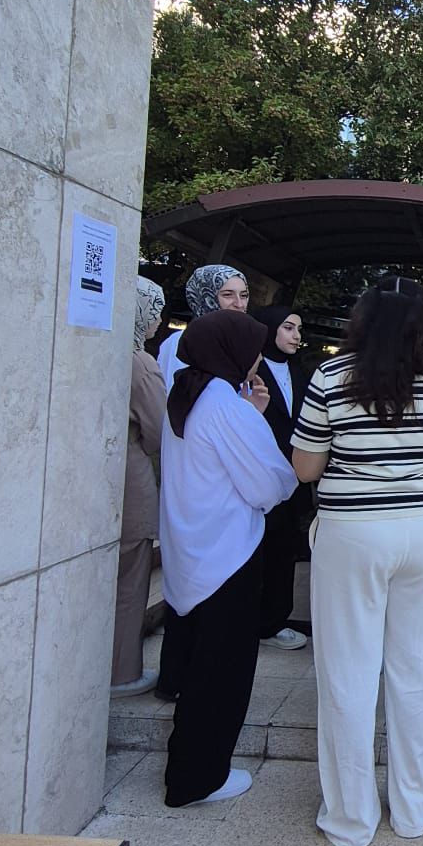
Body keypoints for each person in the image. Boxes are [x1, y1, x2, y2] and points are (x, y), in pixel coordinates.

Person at [292, 279, 423, 846]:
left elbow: (305, 468)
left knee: (347, 672)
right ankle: (412, 811)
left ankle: (351, 820)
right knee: (419, 668)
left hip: (353, 533)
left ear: (361, 323)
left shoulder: (330, 377)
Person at [158, 311, 298, 807]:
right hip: (229, 556)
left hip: (191, 552)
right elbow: (272, 484)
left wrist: (249, 412)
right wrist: (253, 418)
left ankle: (186, 766)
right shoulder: (225, 404)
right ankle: (199, 778)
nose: (257, 357)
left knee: (199, 665)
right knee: (222, 674)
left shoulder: (186, 394)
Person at [111, 277, 167, 696]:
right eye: (155, 310)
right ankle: (122, 671)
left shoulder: (99, 351)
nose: (159, 320)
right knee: (131, 582)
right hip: (131, 479)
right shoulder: (140, 362)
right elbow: (159, 430)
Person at [250, 304, 312, 652]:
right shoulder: (250, 369)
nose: (296, 335)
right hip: (257, 473)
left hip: (293, 475)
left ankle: (274, 620)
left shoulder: (299, 372)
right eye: (288, 328)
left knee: (284, 549)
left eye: (298, 329)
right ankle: (250, 618)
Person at [157, 263, 249, 386]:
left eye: (243, 295)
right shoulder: (183, 343)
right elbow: (173, 393)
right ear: (205, 297)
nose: (239, 304)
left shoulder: (239, 345)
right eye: (228, 295)